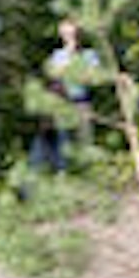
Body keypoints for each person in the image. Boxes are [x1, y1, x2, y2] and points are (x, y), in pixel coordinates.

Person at [31, 18, 100, 173]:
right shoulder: (58, 56)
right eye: (67, 34)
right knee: (64, 144)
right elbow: (53, 79)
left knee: (84, 141)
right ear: (62, 36)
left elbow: (93, 78)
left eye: (73, 33)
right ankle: (64, 175)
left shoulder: (90, 55)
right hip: (62, 104)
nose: (71, 38)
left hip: (82, 103)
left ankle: (86, 175)